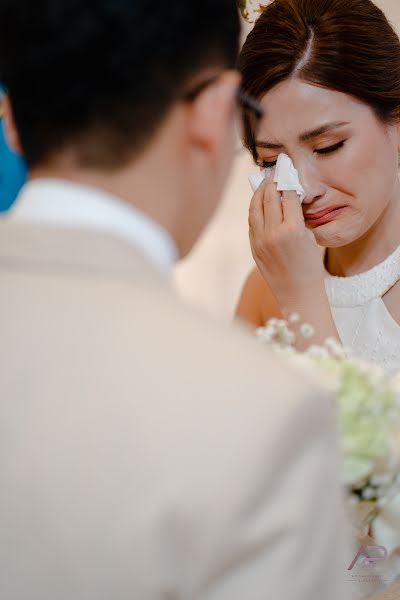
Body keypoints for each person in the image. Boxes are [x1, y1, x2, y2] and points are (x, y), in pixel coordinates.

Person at [0, 1, 349, 599]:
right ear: (216, 111)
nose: (299, 185)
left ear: (10, 119)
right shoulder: (265, 414)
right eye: (269, 159)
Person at [236, 0, 400, 374]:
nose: (304, 190)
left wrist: (303, 305)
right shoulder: (266, 289)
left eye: (328, 148)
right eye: (271, 162)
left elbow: (360, 434)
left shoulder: (288, 288)